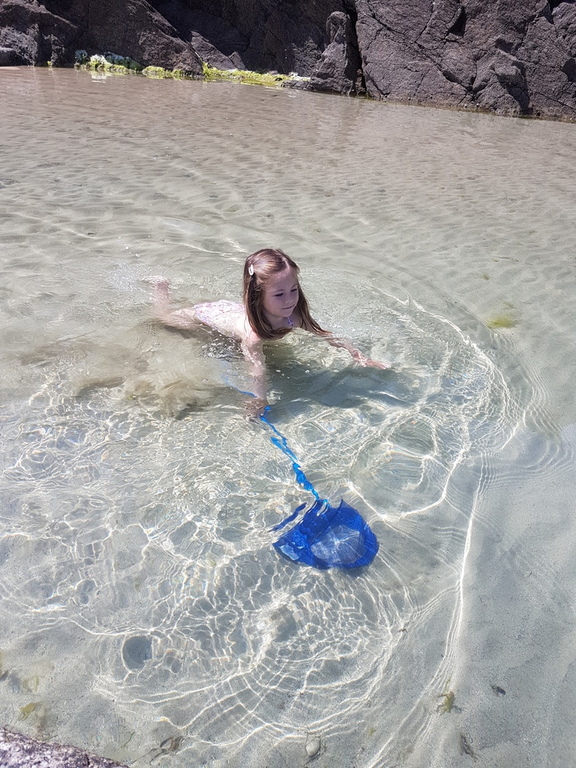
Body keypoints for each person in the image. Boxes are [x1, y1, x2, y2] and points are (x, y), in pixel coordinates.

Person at [149, 248, 387, 414]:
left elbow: (327, 335)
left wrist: (360, 357)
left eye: (293, 290)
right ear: (258, 295)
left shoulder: (296, 315)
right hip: (206, 317)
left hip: (231, 311)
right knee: (163, 320)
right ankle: (161, 287)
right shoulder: (253, 335)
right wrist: (259, 400)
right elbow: (256, 369)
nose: (290, 300)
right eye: (279, 294)